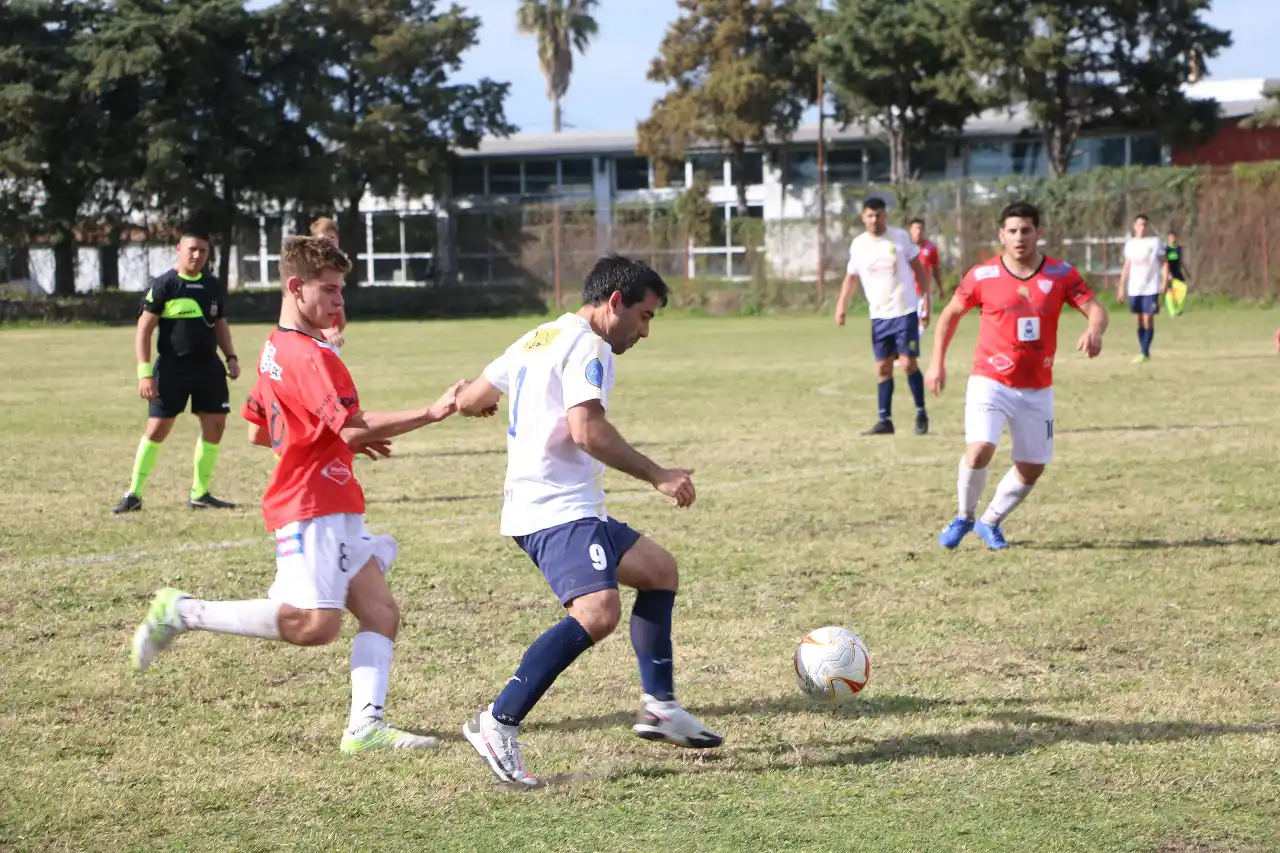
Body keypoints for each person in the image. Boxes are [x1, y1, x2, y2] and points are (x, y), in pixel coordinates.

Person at [129, 236, 465, 754]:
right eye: (328, 290)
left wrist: (334, 439)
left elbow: (259, 431)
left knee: (380, 613)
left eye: (341, 292)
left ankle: (365, 727)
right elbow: (352, 428)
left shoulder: (273, 347)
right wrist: (433, 410)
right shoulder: (310, 355)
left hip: (335, 500)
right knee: (313, 626)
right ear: (295, 286)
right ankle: (182, 612)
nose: (338, 302)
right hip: (313, 507)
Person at [452, 254, 723, 788]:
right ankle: (497, 722)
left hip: (567, 505)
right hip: (554, 510)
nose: (645, 331)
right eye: (644, 317)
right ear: (615, 302)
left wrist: (466, 400)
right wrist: (657, 474)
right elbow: (587, 430)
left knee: (658, 570)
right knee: (598, 613)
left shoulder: (537, 337)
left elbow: (474, 399)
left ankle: (660, 707)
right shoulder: (588, 343)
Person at [927, 201, 1109, 550]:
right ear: (1002, 235)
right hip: (989, 380)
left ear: (1039, 233)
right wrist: (937, 362)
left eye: (1026, 230)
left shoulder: (1061, 274)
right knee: (980, 448)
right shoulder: (982, 276)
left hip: (1037, 388)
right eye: (1012, 231)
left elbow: (1095, 308)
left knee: (1032, 467)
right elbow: (950, 315)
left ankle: (989, 521)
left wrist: (1095, 330)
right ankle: (964, 516)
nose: (1019, 237)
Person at [112, 228, 240, 513]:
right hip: (172, 369)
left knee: (216, 425)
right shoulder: (164, 285)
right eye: (192, 249)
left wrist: (230, 356)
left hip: (208, 368)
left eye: (203, 251)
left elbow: (220, 324)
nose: (197, 255)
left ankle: (200, 493)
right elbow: (143, 331)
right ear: (178, 249)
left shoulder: (213, 286)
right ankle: (134, 494)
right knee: (157, 428)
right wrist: (144, 373)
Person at [835, 197, 931, 436]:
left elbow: (918, 268)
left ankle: (920, 411)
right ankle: (884, 420)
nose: (874, 219)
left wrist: (926, 299)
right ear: (862, 217)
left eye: (878, 215)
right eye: (869, 215)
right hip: (879, 315)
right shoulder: (858, 245)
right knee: (882, 368)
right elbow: (851, 277)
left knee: (908, 363)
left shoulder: (900, 238)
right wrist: (841, 306)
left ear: (885, 216)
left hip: (905, 310)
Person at [1116, 214, 1165, 363]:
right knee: (1138, 321)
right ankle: (1143, 349)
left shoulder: (1155, 242)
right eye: (1139, 225)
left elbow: (1163, 262)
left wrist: (1164, 281)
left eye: (1145, 225)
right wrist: (1121, 288)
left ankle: (1145, 352)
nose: (1142, 228)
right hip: (1135, 288)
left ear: (1147, 227)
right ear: (1134, 226)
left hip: (1151, 287)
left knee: (1148, 319)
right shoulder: (1130, 245)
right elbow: (1126, 266)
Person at [309, 217, 348, 350]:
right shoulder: (311, 269)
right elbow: (308, 306)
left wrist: (337, 327)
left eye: (331, 238)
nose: (327, 243)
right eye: (322, 240)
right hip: (313, 337)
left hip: (329, 337)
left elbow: (338, 305)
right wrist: (324, 330)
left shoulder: (336, 268)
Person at [909, 217, 945, 323]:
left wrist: (940, 289)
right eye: (916, 228)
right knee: (909, 323)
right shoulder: (905, 247)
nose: (919, 231)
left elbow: (936, 270)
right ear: (910, 230)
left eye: (921, 229)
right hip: (907, 293)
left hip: (924, 292)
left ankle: (916, 338)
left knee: (925, 321)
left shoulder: (931, 248)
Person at [1164, 230, 1190, 316]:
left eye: (1173, 237)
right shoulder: (1166, 249)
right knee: (1169, 292)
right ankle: (1172, 311)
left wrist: (1187, 272)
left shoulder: (1178, 248)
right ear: (1168, 238)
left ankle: (1179, 309)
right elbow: (1165, 263)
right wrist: (1167, 274)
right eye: (1170, 237)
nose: (1172, 239)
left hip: (1178, 272)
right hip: (1169, 273)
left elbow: (1181, 261)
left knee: (1183, 289)